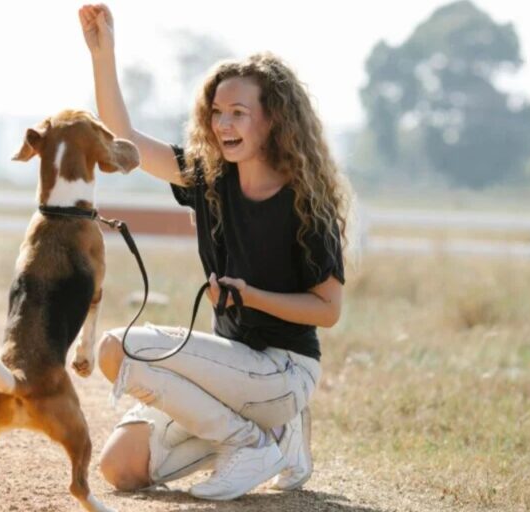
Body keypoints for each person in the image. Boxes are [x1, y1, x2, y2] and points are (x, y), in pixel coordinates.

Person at [77, 3, 349, 501]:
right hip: (232, 373)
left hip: (284, 372)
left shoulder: (308, 203)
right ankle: (275, 439)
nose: (223, 123)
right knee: (121, 469)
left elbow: (328, 310)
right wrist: (103, 55)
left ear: (273, 121)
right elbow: (126, 142)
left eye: (238, 113)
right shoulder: (208, 178)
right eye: (217, 112)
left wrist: (252, 296)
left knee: (116, 348)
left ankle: (251, 440)